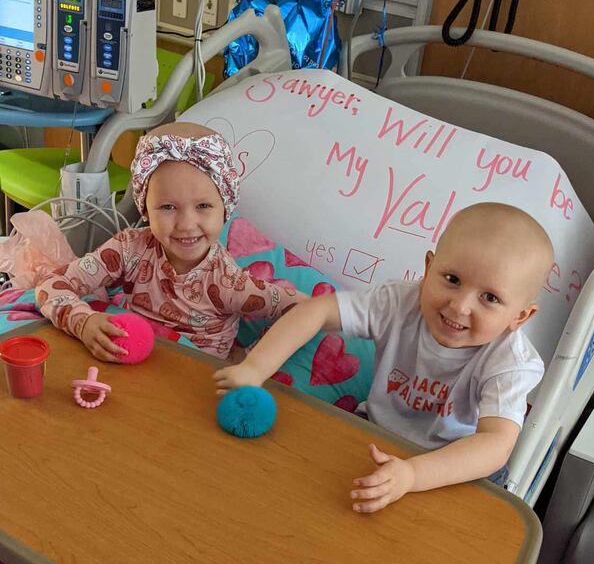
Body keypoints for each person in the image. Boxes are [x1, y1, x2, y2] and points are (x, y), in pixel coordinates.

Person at [215, 202, 555, 507]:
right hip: (378, 433)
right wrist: (254, 369)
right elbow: (318, 311)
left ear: (520, 317)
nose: (460, 305)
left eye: (490, 298)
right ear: (428, 268)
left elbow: (495, 444)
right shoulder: (399, 302)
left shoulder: (511, 362)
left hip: (461, 464)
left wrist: (413, 475)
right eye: (452, 279)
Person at [35, 122, 301, 362]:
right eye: (168, 206)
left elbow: (303, 311)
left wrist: (250, 360)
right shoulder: (128, 249)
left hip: (192, 389)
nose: (186, 224)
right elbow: (51, 285)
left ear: (225, 208)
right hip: (127, 365)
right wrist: (84, 322)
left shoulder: (230, 283)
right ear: (145, 208)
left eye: (203, 206)